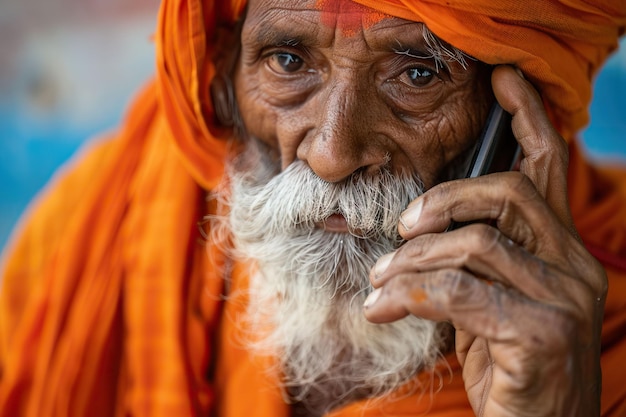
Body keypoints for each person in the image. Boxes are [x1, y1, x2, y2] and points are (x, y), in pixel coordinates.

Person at [1, 0, 625, 416]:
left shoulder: (606, 335)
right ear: (221, 84)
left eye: (417, 76)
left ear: (517, 115)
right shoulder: (99, 222)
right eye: (289, 62)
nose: (332, 153)